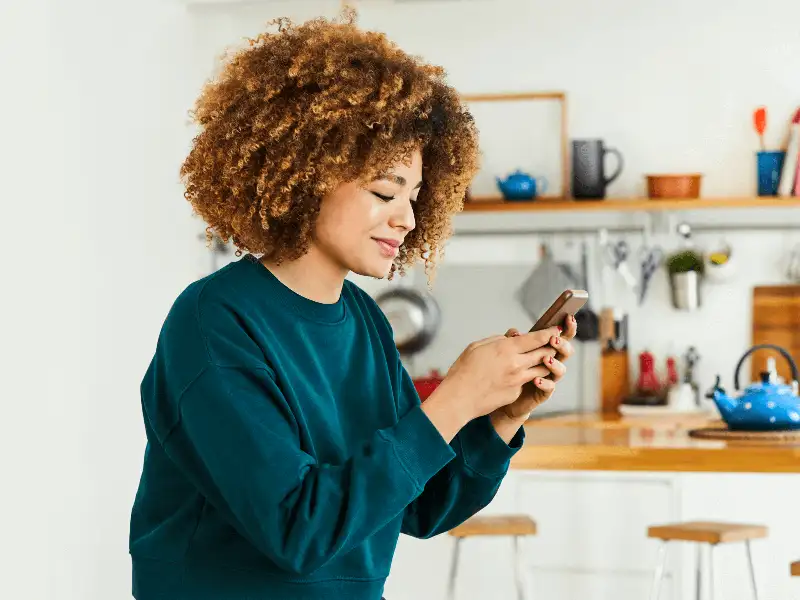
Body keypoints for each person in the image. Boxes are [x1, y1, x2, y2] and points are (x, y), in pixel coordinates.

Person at [128, 9, 576, 600]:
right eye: (385, 191)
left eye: (415, 196)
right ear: (306, 172)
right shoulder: (214, 322)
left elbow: (421, 506)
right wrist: (454, 399)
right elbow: (296, 529)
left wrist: (501, 416)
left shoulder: (363, 320)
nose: (408, 218)